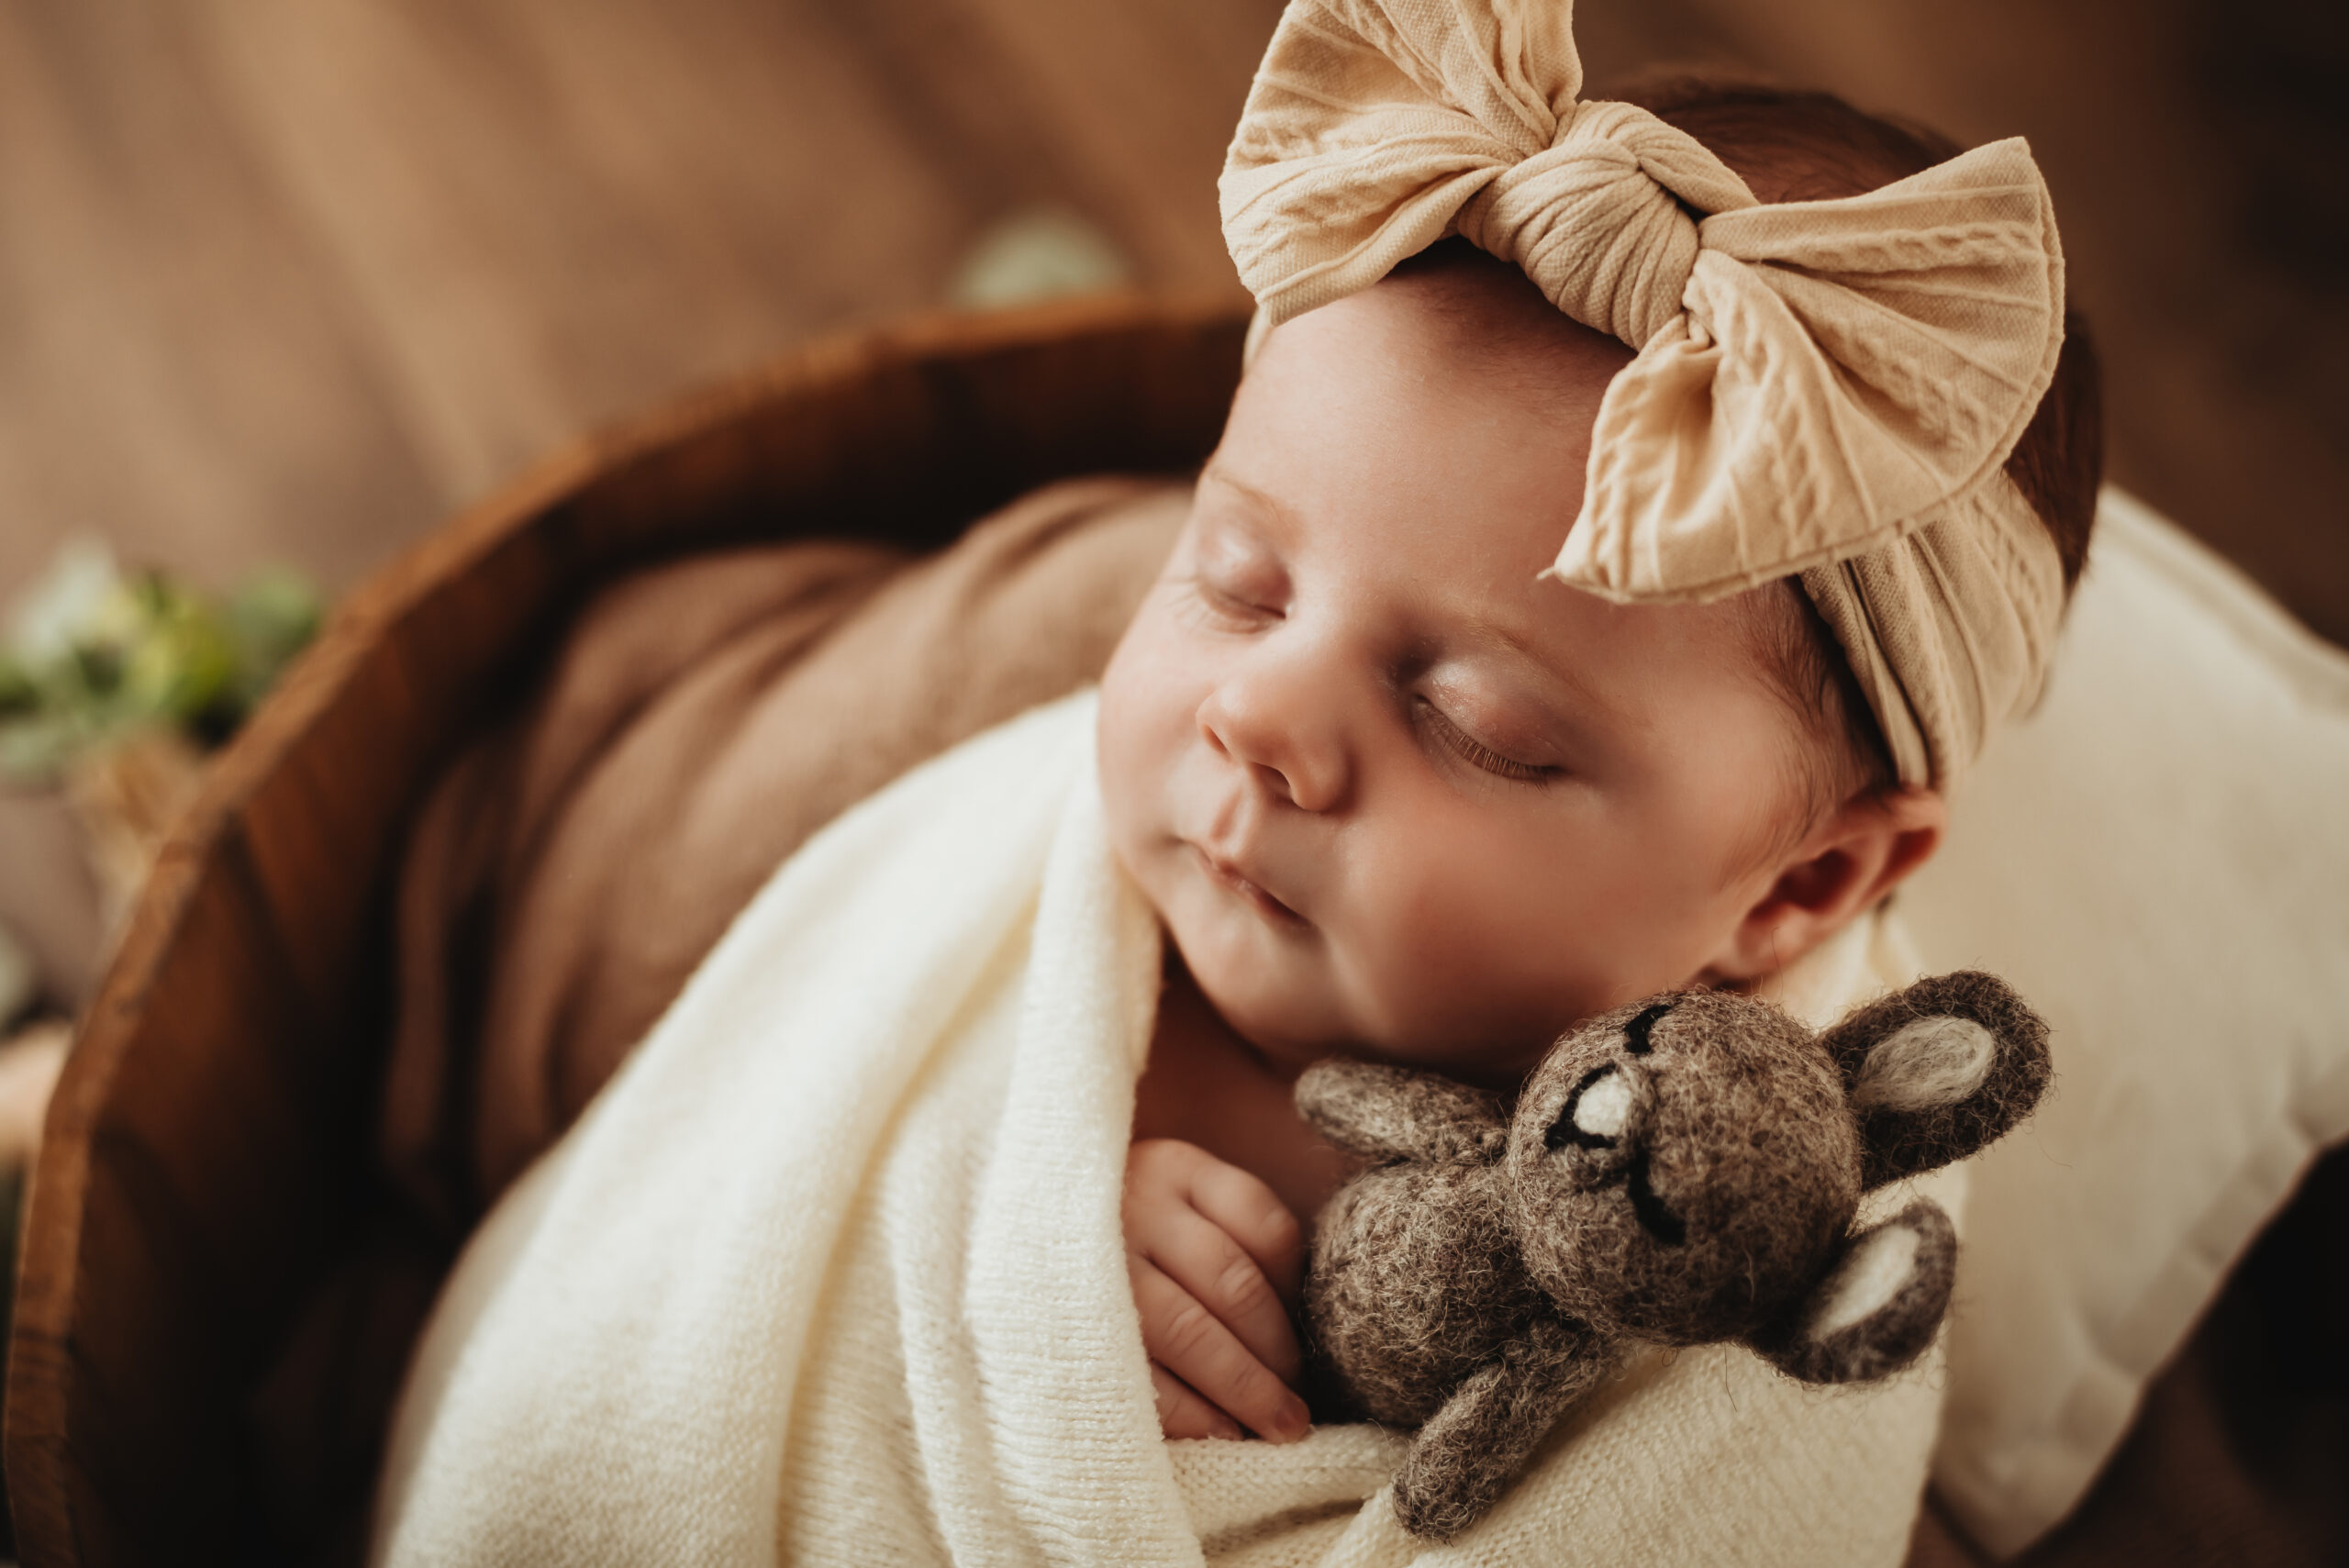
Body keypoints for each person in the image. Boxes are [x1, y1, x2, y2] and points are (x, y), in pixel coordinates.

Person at [1108, 70, 2100, 1446]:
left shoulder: (1683, 1240)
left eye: (1477, 728)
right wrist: (1025, 1223)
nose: (1256, 715)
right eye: (1237, 584)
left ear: (1794, 888)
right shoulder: (1038, 915)